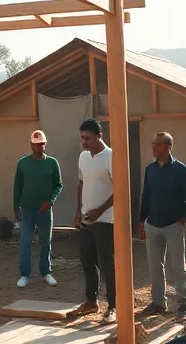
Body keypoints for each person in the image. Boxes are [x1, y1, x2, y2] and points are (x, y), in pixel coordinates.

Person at [136, 132, 186, 319]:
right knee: (155, 266)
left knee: (178, 267)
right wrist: (141, 220)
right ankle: (158, 303)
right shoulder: (150, 169)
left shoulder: (180, 169)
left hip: (173, 226)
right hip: (152, 225)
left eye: (158, 144)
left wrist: (183, 218)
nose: (153, 147)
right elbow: (146, 196)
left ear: (168, 147)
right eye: (153, 144)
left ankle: (183, 304)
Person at [75, 119, 117, 322]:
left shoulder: (110, 157)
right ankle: (91, 301)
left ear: (100, 136)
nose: (84, 142)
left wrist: (100, 211)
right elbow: (81, 183)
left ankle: (114, 306)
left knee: (107, 262)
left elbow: (121, 190)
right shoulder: (83, 157)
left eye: (88, 138)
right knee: (87, 261)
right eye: (82, 138)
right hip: (86, 218)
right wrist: (78, 212)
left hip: (106, 219)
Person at [13, 129, 63, 288]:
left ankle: (46, 272)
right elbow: (17, 187)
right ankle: (24, 274)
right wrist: (16, 207)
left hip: (45, 210)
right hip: (27, 209)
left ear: (45, 144)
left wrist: (51, 201)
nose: (38, 147)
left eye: (41, 144)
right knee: (26, 242)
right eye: (35, 145)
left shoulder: (52, 163)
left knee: (45, 242)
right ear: (31, 145)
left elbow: (58, 185)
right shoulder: (23, 163)